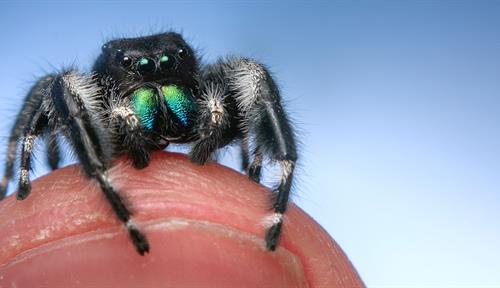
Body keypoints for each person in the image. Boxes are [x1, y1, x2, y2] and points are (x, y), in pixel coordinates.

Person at [0, 152, 364, 287]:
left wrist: (259, 163)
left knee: (250, 72)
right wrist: (22, 158)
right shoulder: (89, 95)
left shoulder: (208, 93)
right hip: (107, 142)